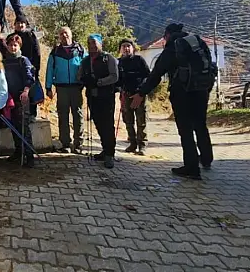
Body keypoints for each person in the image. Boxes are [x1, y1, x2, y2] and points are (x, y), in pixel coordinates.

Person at [131, 23, 215, 180]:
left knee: (185, 129)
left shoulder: (172, 48)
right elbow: (209, 65)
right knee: (200, 124)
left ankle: (191, 167)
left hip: (182, 93)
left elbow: (156, 73)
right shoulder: (198, 43)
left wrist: (141, 93)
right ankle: (206, 159)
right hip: (201, 90)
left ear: (168, 35)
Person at [78, 34, 118, 169]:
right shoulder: (85, 61)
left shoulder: (109, 58)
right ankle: (105, 149)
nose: (92, 46)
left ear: (100, 44)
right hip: (92, 97)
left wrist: (99, 82)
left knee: (107, 125)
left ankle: (109, 154)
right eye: (89, 43)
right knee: (99, 124)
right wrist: (85, 80)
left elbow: (114, 76)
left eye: (94, 43)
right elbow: (79, 76)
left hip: (106, 96)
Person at [45, 27, 86, 154]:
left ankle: (78, 144)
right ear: (59, 36)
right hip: (61, 88)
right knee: (63, 116)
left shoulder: (80, 50)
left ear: (71, 35)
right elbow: (49, 70)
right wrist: (48, 87)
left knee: (78, 115)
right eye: (61, 34)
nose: (64, 35)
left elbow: (86, 67)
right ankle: (65, 144)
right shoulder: (55, 51)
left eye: (66, 33)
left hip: (76, 87)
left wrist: (88, 82)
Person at [4, 34, 36, 167]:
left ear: (19, 46)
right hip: (9, 99)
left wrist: (26, 91)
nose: (13, 47)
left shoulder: (24, 60)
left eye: (15, 45)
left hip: (22, 97)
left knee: (24, 128)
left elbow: (30, 77)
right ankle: (18, 151)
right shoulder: (4, 61)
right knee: (13, 127)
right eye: (10, 45)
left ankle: (29, 156)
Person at [117, 38, 150, 155]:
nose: (126, 48)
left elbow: (148, 76)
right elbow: (117, 80)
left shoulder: (139, 60)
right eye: (123, 46)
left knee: (141, 120)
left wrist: (141, 91)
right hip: (126, 95)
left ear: (133, 48)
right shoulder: (118, 62)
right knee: (128, 120)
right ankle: (132, 143)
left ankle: (142, 145)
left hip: (139, 95)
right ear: (120, 49)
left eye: (128, 46)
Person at [14, 16, 41, 117]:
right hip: (16, 69)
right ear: (14, 25)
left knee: (31, 91)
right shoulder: (12, 37)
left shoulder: (31, 35)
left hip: (30, 67)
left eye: (22, 23)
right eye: (18, 23)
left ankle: (33, 114)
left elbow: (37, 52)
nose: (20, 25)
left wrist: (36, 68)